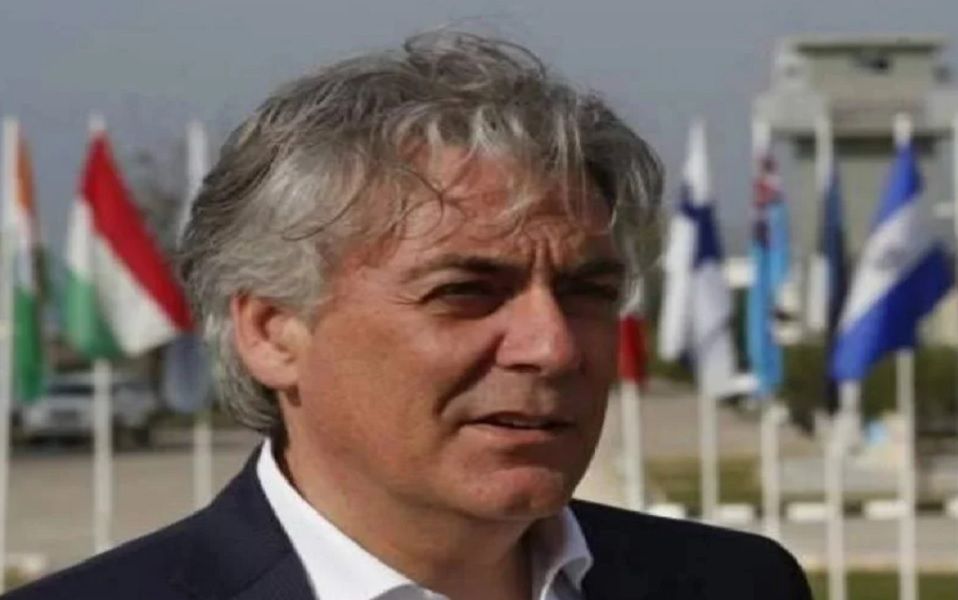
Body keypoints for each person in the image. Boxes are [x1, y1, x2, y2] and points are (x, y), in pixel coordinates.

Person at [7, 31, 811, 600]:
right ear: (272, 331)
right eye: (466, 291)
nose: (553, 346)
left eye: (587, 292)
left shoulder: (735, 584)